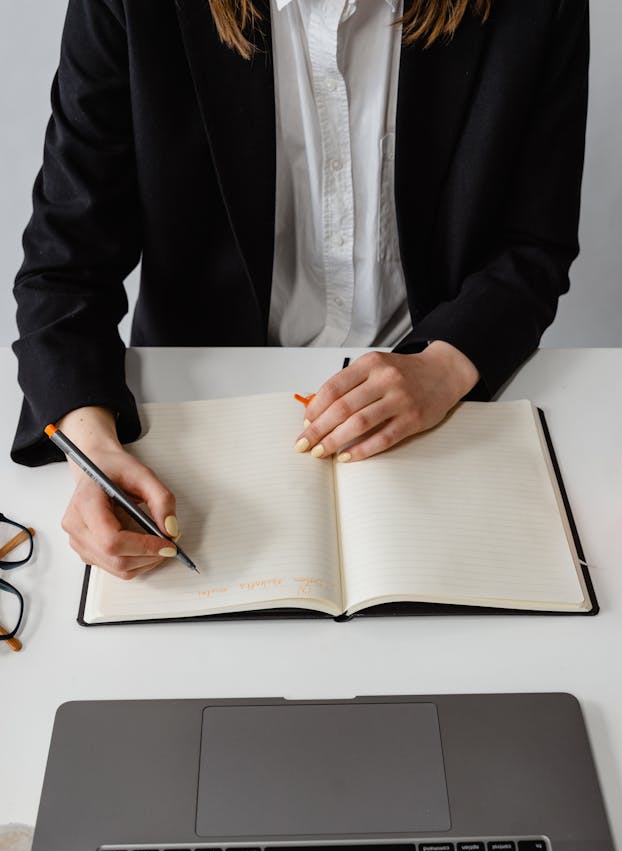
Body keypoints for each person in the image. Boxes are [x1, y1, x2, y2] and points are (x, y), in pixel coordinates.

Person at [10, 0, 589, 580]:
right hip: (203, 404)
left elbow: (533, 242)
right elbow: (66, 263)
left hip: (439, 400)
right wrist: (92, 456)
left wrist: (444, 365)